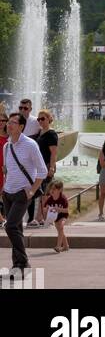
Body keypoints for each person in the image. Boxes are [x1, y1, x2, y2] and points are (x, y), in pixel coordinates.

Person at [2, 111, 47, 276]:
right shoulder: (7, 146)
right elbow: (8, 170)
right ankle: (18, 266)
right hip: (8, 193)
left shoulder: (30, 144)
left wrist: (32, 191)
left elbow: (42, 171)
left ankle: (24, 262)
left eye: (13, 122)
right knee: (17, 229)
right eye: (9, 122)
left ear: (21, 127)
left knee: (11, 226)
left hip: (23, 193)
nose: (9, 125)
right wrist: (4, 189)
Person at [32, 109, 58, 224]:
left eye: (43, 118)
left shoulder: (51, 134)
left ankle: (40, 217)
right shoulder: (40, 132)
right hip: (39, 167)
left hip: (47, 166)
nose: (40, 121)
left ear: (49, 119)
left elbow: (53, 153)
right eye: (39, 119)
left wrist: (51, 167)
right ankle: (42, 217)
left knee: (45, 193)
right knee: (41, 192)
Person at [44, 177, 70, 252]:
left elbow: (67, 210)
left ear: (60, 190)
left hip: (63, 215)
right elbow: (44, 208)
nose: (52, 191)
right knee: (60, 231)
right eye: (51, 189)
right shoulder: (50, 199)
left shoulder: (63, 198)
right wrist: (47, 209)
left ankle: (58, 246)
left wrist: (59, 209)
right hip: (55, 217)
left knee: (61, 227)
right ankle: (66, 246)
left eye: (54, 189)